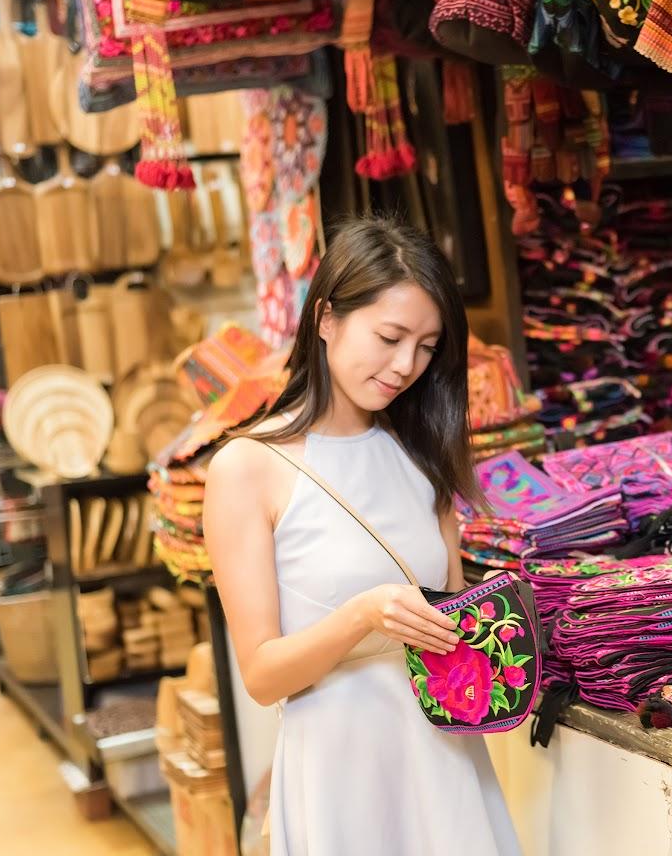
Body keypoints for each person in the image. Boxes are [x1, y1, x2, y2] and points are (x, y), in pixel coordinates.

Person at [205, 217, 522, 855]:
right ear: (325, 319)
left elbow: (453, 624)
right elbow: (263, 677)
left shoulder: (422, 452)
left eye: (428, 346)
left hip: (445, 759)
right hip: (339, 772)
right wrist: (362, 615)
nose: (406, 365)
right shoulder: (248, 468)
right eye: (389, 336)